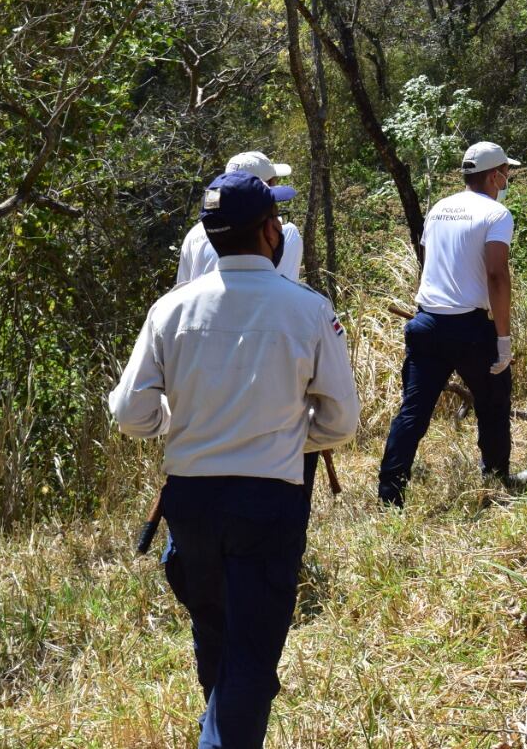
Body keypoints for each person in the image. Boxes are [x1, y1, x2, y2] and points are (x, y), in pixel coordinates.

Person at [109, 171, 359, 748]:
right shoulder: (308, 309)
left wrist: (184, 425)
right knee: (249, 656)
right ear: (271, 231)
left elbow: (129, 414)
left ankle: (220, 725)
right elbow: (340, 421)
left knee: (216, 633)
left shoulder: (170, 310)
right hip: (268, 499)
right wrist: (284, 436)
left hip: (190, 501)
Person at [377, 141, 527, 507]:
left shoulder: (439, 209)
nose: (507, 178)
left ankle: (390, 496)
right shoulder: (496, 214)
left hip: (427, 323)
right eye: (506, 172)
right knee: (493, 402)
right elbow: (497, 274)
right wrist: (504, 338)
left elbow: (430, 262)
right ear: (494, 175)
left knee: (413, 412)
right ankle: (495, 479)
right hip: (470, 329)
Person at [176, 151, 305, 284]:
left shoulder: (193, 235)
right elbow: (288, 289)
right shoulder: (286, 232)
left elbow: (182, 287)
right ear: (268, 185)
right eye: (274, 180)